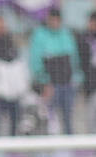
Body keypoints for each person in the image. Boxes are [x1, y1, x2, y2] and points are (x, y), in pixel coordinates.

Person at [29, 7, 82, 135]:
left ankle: (69, 147)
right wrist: (44, 81)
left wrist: (76, 79)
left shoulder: (66, 34)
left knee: (67, 119)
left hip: (67, 83)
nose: (54, 23)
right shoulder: (39, 35)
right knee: (49, 118)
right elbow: (36, 61)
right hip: (50, 85)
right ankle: (49, 149)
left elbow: (74, 59)